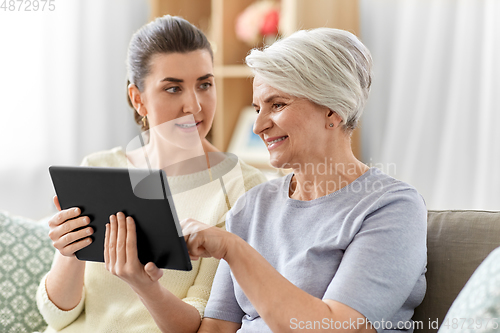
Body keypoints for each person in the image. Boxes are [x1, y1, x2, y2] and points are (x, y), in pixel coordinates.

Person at [176, 28, 428, 333]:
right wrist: (141, 282)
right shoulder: (252, 206)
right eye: (258, 108)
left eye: (277, 105)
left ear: (333, 110)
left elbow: (337, 328)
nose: (257, 126)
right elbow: (216, 329)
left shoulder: (392, 207)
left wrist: (234, 249)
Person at [35, 15, 267, 333]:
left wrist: (145, 287)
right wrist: (69, 253)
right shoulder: (99, 169)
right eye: (173, 88)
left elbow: (202, 326)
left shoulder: (243, 187)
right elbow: (57, 316)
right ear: (138, 98)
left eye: (205, 84)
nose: (193, 106)